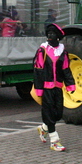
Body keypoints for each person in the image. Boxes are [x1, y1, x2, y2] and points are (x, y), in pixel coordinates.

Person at [33, 23, 76, 152]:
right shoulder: (42, 51)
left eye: (53, 34)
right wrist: (39, 89)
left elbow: (66, 69)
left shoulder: (63, 52)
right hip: (46, 88)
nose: (50, 36)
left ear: (58, 36)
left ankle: (44, 128)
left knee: (58, 113)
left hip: (58, 86)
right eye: (49, 34)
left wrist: (70, 84)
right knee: (49, 113)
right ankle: (54, 141)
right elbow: (38, 70)